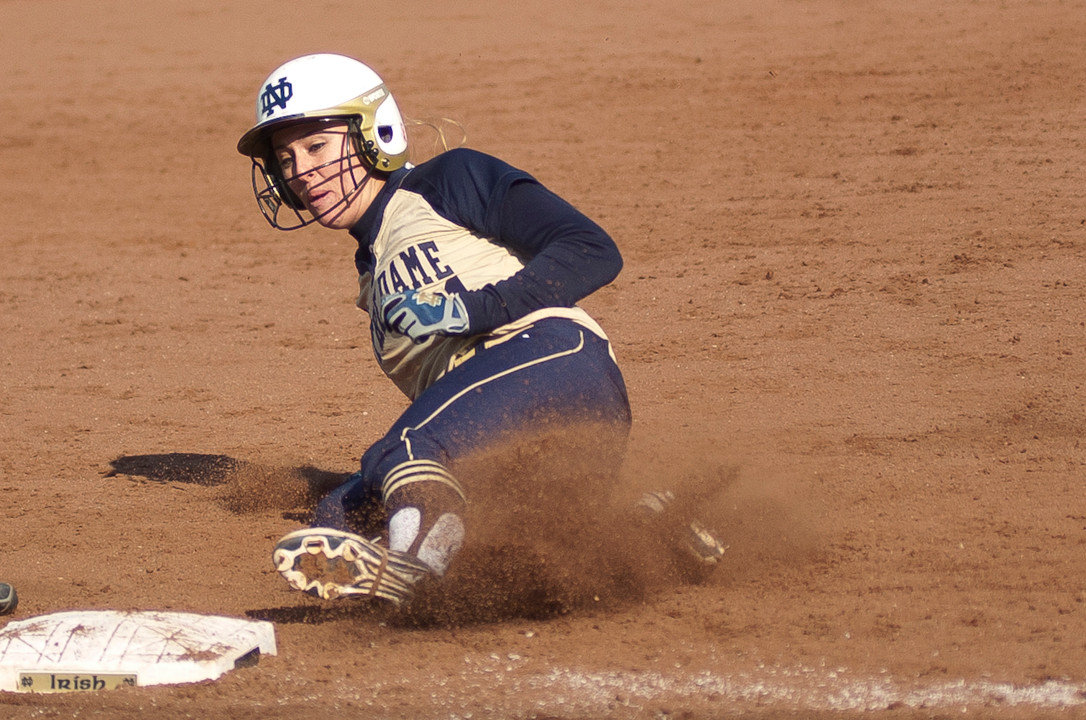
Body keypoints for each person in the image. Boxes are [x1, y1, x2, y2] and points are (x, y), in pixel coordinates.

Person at [236, 53, 646, 608]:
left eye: (316, 146)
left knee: (403, 450)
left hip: (553, 360)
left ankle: (417, 574)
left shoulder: (450, 180)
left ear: (373, 133)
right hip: (521, 435)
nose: (300, 171)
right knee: (338, 516)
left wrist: (473, 308)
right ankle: (650, 541)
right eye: (285, 158)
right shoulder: (373, 273)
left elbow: (592, 250)